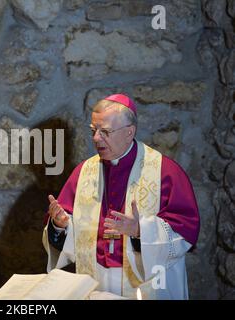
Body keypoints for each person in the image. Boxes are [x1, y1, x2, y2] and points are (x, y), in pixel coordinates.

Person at [42, 93, 200, 299]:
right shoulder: (83, 172)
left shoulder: (165, 172)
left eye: (105, 131)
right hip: (96, 281)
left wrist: (140, 230)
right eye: (94, 130)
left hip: (146, 284)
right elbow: (71, 234)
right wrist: (61, 225)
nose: (96, 138)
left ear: (129, 132)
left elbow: (186, 231)